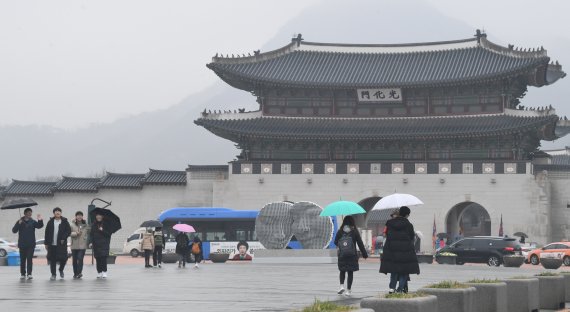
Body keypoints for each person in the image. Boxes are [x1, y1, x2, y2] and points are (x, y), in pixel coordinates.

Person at [380, 206, 420, 293]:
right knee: (404, 271)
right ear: (406, 215)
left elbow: (386, 234)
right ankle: (400, 289)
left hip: (392, 250)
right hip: (405, 251)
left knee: (394, 270)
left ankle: (392, 288)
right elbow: (412, 237)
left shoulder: (389, 223)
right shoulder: (409, 225)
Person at [334, 216, 368, 296]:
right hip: (352, 255)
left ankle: (341, 286)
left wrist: (342, 244)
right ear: (352, 222)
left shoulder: (340, 231)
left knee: (342, 270)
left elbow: (335, 242)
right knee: (350, 272)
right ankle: (348, 290)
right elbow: (360, 243)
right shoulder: (354, 231)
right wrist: (364, 254)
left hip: (342, 254)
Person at [12, 208, 43, 279]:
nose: (30, 214)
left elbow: (39, 226)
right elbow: (14, 230)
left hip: (31, 244)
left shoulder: (32, 221)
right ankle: (23, 273)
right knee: (22, 259)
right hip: (22, 244)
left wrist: (40, 220)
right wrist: (18, 224)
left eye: (31, 212)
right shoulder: (20, 221)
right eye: (28, 212)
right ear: (25, 213)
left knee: (29, 259)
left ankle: (29, 273)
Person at [44, 207, 71, 280]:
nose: (57, 212)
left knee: (64, 258)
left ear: (61, 213)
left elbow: (68, 231)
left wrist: (63, 238)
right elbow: (46, 233)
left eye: (59, 211)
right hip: (52, 244)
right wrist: (46, 243)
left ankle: (61, 269)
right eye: (56, 211)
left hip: (61, 244)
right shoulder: (50, 222)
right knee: (52, 260)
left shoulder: (64, 221)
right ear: (54, 213)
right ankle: (53, 274)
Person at [90, 213, 112, 278]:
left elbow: (109, 234)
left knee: (103, 258)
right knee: (98, 258)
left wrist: (102, 230)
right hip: (96, 244)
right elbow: (91, 234)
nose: (98, 217)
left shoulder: (106, 224)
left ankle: (104, 272)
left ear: (102, 216)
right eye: (97, 215)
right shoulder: (94, 224)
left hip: (104, 244)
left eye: (100, 215)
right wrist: (91, 242)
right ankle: (99, 272)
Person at [70, 211, 90, 279]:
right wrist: (76, 234)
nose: (79, 216)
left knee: (80, 258)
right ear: (76, 216)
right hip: (74, 245)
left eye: (81, 215)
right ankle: (75, 273)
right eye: (78, 215)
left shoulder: (85, 225)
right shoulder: (72, 224)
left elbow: (90, 231)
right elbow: (69, 233)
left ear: (82, 217)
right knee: (74, 260)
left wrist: (86, 224)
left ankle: (79, 273)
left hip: (82, 245)